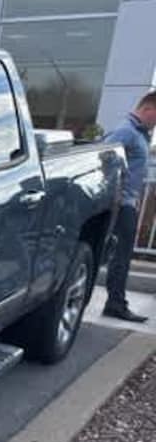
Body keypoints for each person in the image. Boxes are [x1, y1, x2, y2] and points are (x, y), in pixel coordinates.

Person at [102, 91, 156, 323]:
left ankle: (115, 302)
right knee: (120, 256)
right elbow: (103, 160)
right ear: (148, 109)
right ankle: (115, 304)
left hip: (127, 203)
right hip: (121, 204)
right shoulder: (127, 132)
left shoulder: (139, 135)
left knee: (119, 255)